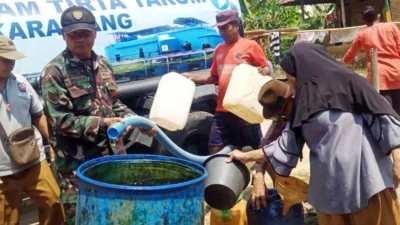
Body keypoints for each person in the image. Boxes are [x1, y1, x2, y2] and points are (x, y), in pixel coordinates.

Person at [228, 43, 400, 225]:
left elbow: (384, 117)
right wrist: (246, 157)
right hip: (329, 188)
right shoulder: (303, 104)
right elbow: (282, 146)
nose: (291, 81)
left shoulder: (351, 84)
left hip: (366, 180)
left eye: (291, 75)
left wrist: (397, 160)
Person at [40, 6, 156, 225]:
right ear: (63, 35)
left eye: (85, 33)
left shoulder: (102, 63)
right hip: (79, 168)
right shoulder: (54, 72)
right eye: (74, 35)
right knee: (85, 218)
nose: (80, 39)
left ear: (95, 32)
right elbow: (62, 121)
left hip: (113, 159)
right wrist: (104, 124)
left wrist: (137, 120)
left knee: (118, 215)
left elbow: (113, 102)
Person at [183, 10, 271, 154]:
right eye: (219, 29)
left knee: (257, 149)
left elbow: (266, 67)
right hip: (223, 108)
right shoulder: (219, 49)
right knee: (215, 147)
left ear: (236, 26)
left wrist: (264, 71)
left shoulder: (250, 45)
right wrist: (191, 77)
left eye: (225, 28)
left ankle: (268, 176)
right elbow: (213, 78)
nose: (222, 32)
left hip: (244, 108)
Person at [0, 35, 65, 224]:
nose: (11, 63)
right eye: (5, 59)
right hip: (3, 172)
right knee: (7, 220)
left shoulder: (20, 82)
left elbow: (38, 115)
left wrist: (52, 142)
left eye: (12, 59)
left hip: (34, 161)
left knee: (54, 203)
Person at [343, 6, 400, 115]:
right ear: (378, 16)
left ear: (363, 20)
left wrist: (340, 64)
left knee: (386, 114)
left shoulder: (362, 35)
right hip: (397, 72)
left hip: (378, 76)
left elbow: (350, 54)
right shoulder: (392, 27)